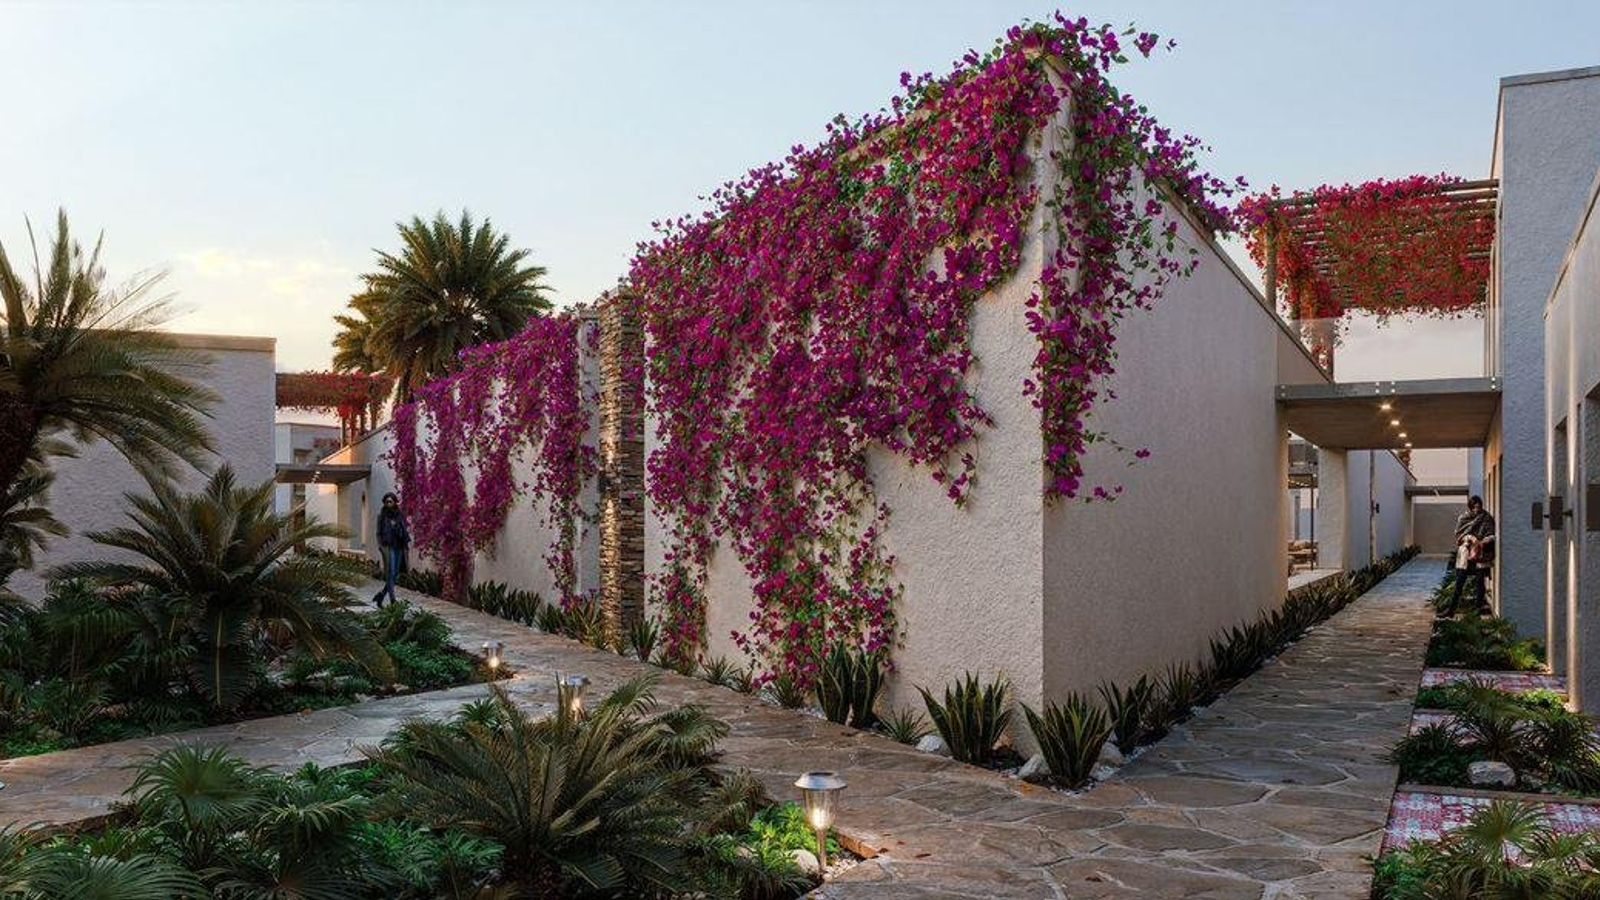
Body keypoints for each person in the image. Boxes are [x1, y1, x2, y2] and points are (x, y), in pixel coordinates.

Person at [1445, 495, 1495, 616]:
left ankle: (1477, 612)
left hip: (1481, 554)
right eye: (1474, 507)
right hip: (1466, 554)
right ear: (1470, 507)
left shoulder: (1486, 517)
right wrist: (1470, 537)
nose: (1477, 509)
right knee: (1459, 583)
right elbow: (1458, 535)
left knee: (1480, 583)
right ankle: (1451, 610)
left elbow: (1492, 534)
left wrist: (1483, 541)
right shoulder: (1464, 518)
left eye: (1479, 506)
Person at [373, 492, 409, 608]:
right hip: (388, 547)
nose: (388, 504)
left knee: (395, 574)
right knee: (391, 572)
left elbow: (404, 529)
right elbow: (378, 533)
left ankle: (381, 595)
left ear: (394, 502)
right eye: (386, 502)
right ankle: (393, 600)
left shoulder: (400, 515)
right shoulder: (382, 516)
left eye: (390, 501)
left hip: (399, 546)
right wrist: (380, 546)